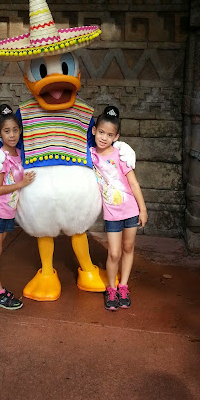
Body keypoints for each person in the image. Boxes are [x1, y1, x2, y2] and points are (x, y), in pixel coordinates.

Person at [90, 106, 148, 311]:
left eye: (109, 135)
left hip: (131, 210)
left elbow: (133, 183)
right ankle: (111, 288)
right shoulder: (91, 156)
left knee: (128, 247)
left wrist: (143, 209)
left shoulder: (121, 155)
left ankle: (123, 286)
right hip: (112, 214)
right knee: (114, 253)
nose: (104, 138)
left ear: (116, 137)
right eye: (101, 132)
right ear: (94, 130)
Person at [0, 104, 35, 310]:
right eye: (6, 131)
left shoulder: (18, 153)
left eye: (15, 130)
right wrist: (22, 184)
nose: (11, 135)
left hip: (7, 211)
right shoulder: (0, 157)